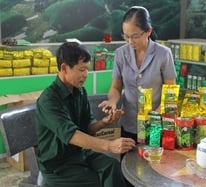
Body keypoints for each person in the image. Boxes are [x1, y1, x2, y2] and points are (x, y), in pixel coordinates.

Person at [35, 41, 135, 187]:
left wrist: (104, 122)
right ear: (64, 68)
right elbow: (72, 135)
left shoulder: (79, 91)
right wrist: (109, 145)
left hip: (79, 154)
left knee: (113, 167)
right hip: (58, 166)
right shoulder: (49, 100)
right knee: (98, 182)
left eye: (87, 69)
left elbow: (87, 127)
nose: (86, 75)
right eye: (81, 70)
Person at [99, 6, 176, 148]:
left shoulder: (163, 54)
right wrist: (113, 102)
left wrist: (154, 116)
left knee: (152, 165)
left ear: (148, 31)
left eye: (134, 36)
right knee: (127, 164)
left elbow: (170, 94)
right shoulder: (120, 54)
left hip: (155, 125)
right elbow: (116, 87)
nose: (130, 41)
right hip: (129, 124)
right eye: (126, 36)